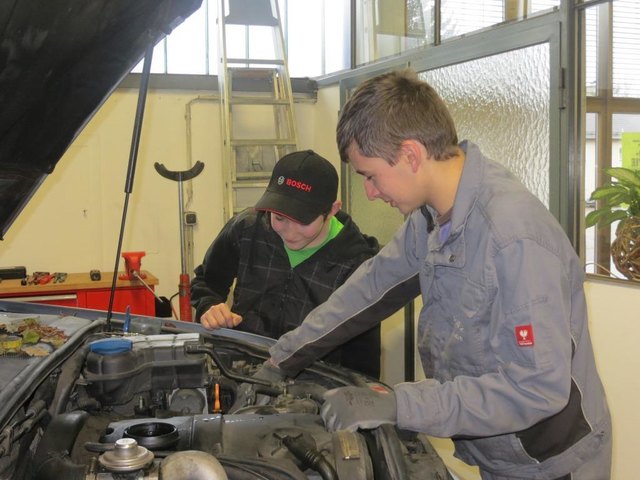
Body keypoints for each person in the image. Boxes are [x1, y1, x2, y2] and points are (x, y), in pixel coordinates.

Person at [259, 70, 612, 479]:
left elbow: (537, 388)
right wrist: (284, 356)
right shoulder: (430, 217)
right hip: (501, 453)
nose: (370, 192)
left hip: (552, 463)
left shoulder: (513, 238)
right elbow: (371, 288)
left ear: (410, 154)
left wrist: (398, 404)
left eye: (370, 175)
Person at [191, 149, 382, 378]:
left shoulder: (358, 264)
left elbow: (362, 365)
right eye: (279, 218)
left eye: (302, 220)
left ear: (332, 210)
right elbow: (207, 281)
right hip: (241, 373)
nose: (289, 233)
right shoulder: (246, 229)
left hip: (312, 388)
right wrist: (209, 306)